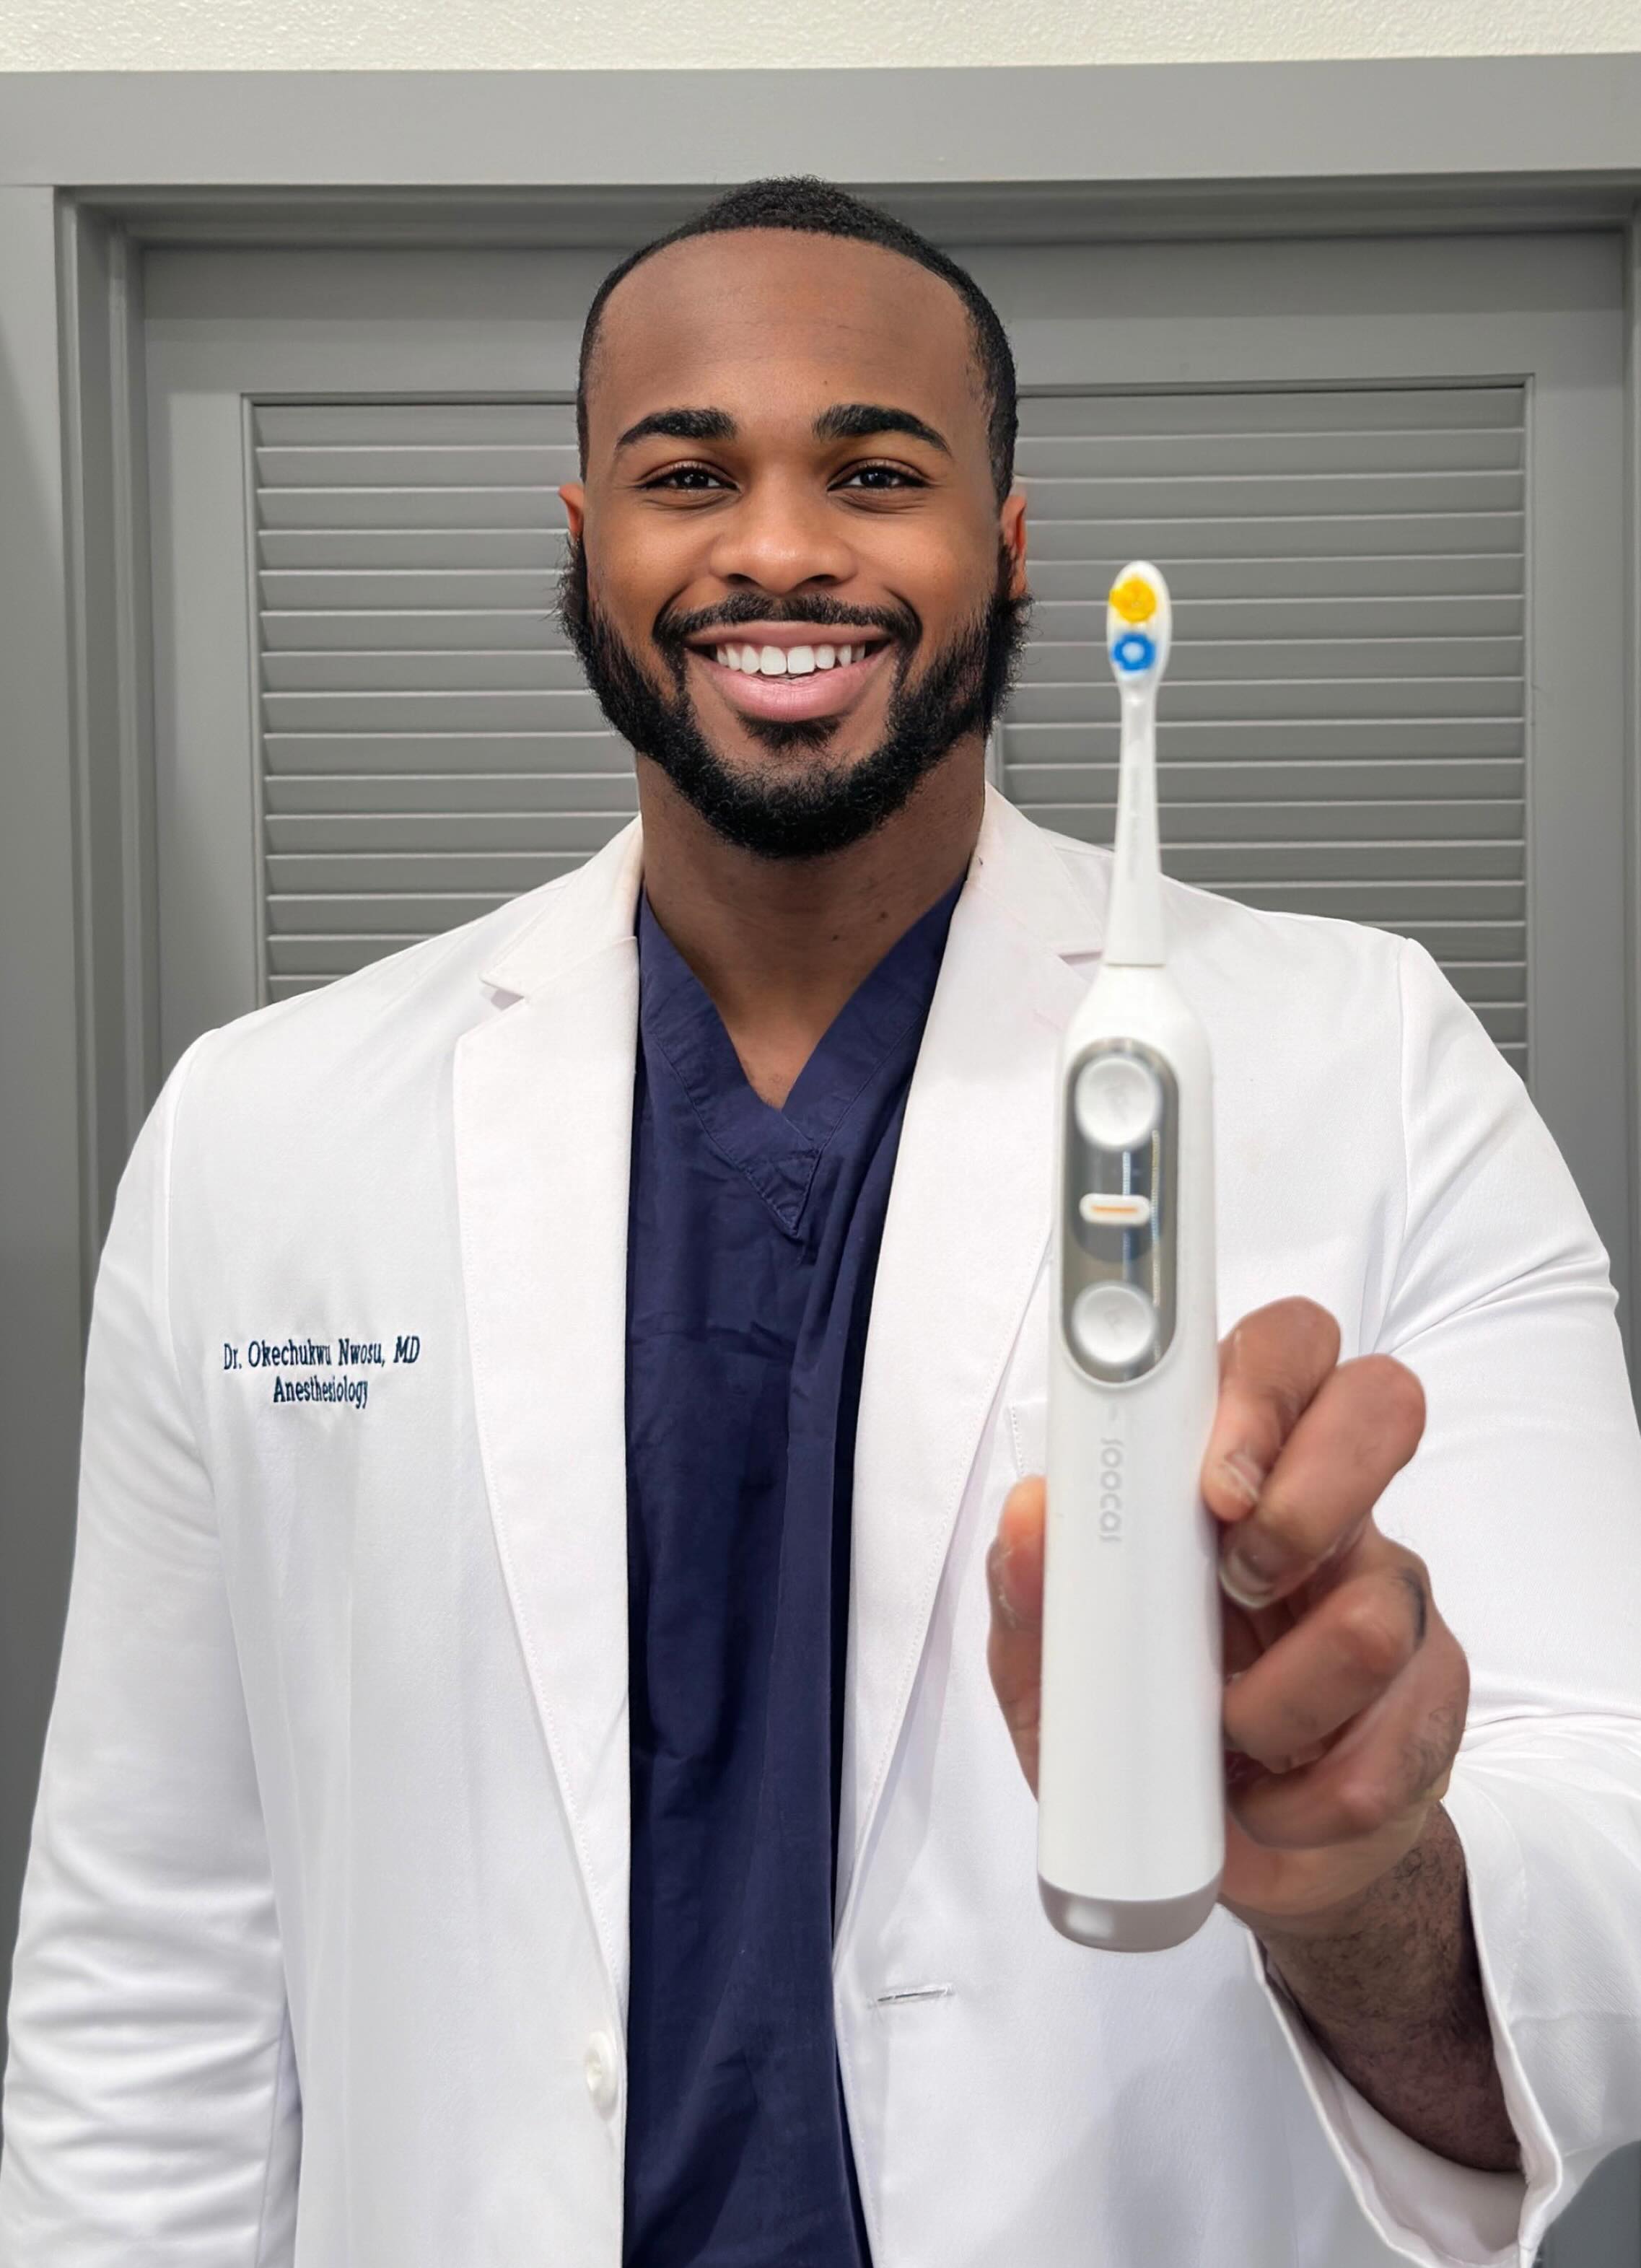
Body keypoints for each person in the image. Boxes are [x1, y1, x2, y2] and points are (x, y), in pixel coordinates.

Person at [2, 175, 1639, 2268]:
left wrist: (1359, 1882)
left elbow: (1599, 1876)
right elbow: (151, 1963)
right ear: (585, 540)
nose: (778, 547)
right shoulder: (260, 1135)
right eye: (689, 475)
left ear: (1010, 547)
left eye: (875, 472)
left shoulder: (1368, 1058)